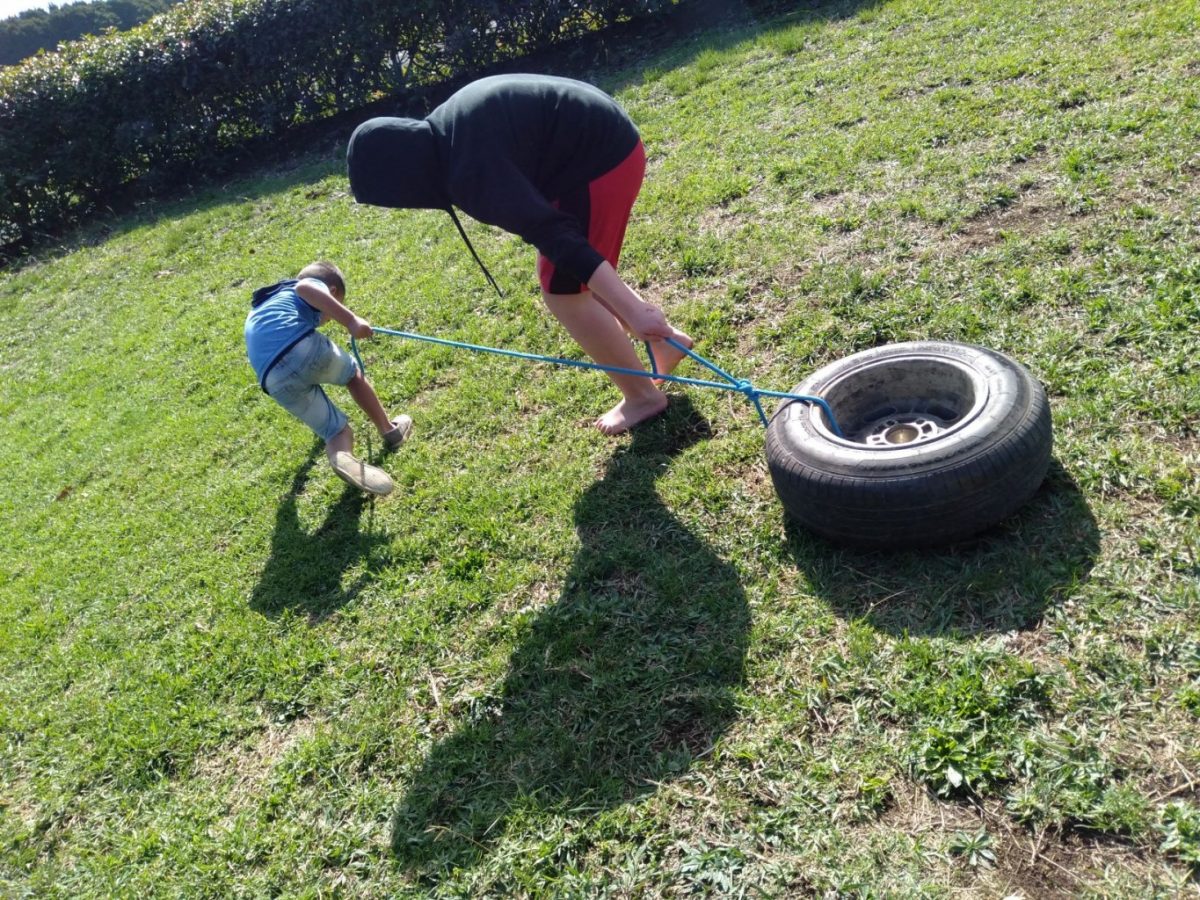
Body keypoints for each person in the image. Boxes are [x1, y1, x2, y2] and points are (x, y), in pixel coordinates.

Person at [346, 73, 694, 435]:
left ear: (405, 178)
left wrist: (636, 312)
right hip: (598, 141)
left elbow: (556, 235)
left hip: (600, 161)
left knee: (565, 292)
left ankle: (642, 396)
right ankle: (665, 344)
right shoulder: (445, 134)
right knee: (567, 279)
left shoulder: (470, 172)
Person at [245, 261, 412, 496]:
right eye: (336, 303)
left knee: (336, 432)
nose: (330, 317)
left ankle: (341, 457)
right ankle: (389, 431)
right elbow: (306, 289)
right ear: (332, 292)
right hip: (298, 345)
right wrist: (351, 321)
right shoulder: (306, 285)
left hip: (272, 378)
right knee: (353, 375)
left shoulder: (265, 307)